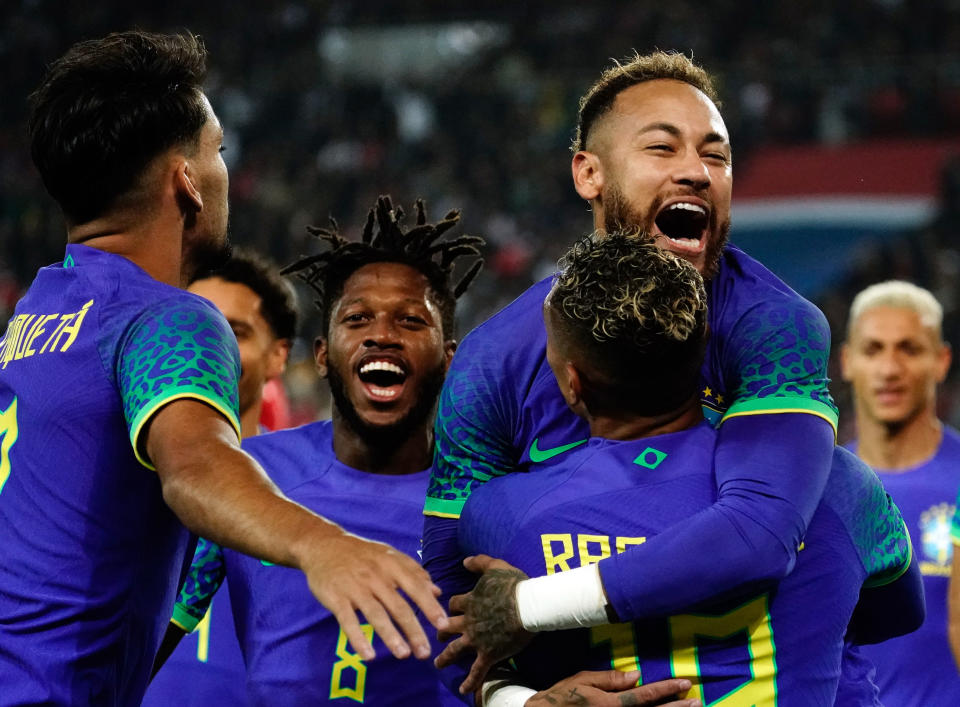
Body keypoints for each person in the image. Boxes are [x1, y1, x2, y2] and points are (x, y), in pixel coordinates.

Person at [0, 31, 444, 705]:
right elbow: (196, 465)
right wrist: (323, 545)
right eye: (219, 152)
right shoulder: (167, 319)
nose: (223, 172)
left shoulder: (39, 309)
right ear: (185, 180)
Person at [425, 50, 838, 693]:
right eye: (662, 149)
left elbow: (761, 533)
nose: (696, 172)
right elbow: (454, 601)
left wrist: (528, 606)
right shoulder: (493, 362)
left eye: (716, 154)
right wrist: (522, 701)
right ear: (589, 173)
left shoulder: (774, 327)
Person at [458, 234, 922, 706]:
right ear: (704, 348)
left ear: (572, 384)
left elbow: (470, 663)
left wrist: (513, 698)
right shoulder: (838, 485)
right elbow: (896, 614)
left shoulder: (501, 515)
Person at [144, 249, 298, 706]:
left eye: (234, 331)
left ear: (277, 356)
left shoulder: (305, 493)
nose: (204, 344)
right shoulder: (109, 484)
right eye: (187, 325)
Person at [839, 280, 960, 704]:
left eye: (909, 349)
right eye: (873, 350)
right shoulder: (818, 489)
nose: (890, 369)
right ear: (848, 361)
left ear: (941, 361)